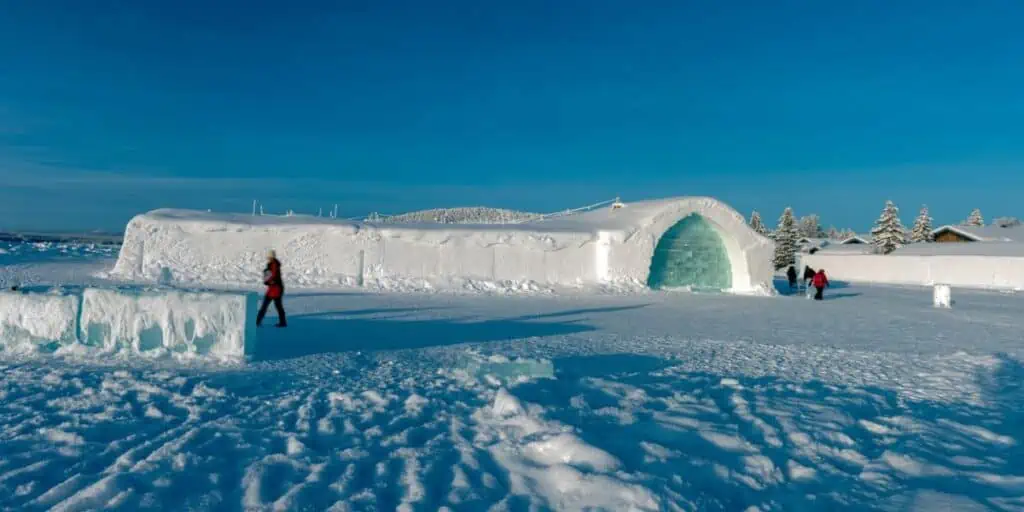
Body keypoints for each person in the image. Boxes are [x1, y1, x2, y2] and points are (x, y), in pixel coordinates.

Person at [256, 250, 287, 327]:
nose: (269, 258)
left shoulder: (274, 265)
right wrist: (267, 279)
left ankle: (257, 322)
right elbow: (270, 278)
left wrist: (267, 280)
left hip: (276, 289)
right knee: (272, 306)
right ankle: (257, 322)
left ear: (272, 257)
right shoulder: (272, 264)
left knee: (273, 306)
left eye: (270, 257)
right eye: (268, 257)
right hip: (273, 289)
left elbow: (273, 277)